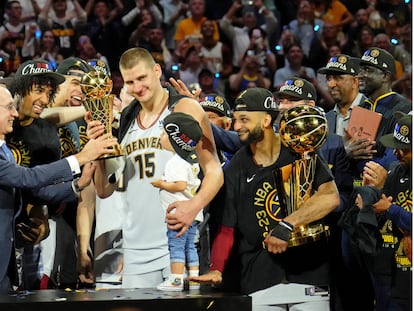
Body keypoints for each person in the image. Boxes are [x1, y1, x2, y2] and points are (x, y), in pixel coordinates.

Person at [189, 87, 339, 310]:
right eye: (235, 119)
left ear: (267, 119)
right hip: (260, 278)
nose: (237, 126)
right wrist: (217, 268)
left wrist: (286, 225)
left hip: (309, 274)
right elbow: (227, 228)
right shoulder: (236, 168)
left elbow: (330, 196)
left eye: (244, 119)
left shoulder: (300, 149)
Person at [88, 47, 223, 288]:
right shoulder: (126, 118)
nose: (137, 87)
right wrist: (99, 150)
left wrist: (193, 206)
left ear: (157, 70)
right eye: (130, 82)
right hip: (135, 251)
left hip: (177, 244)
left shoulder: (185, 108)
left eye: (142, 78)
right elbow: (103, 190)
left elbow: (214, 171)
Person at [0, 85, 117, 293]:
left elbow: (33, 191)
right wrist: (81, 157)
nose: (15, 113)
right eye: (9, 107)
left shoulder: (5, 150)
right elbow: (28, 177)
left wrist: (77, 185)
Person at [274, 77, 353, 311]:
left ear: (309, 105)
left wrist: (315, 208)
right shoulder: (271, 141)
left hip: (319, 243)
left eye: (291, 101)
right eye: (282, 101)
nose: (283, 106)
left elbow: (345, 195)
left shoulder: (334, 143)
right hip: (276, 238)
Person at [341, 111, 412, 311]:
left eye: (405, 149)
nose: (397, 153)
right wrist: (371, 196)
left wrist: (391, 210)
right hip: (388, 271)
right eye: (396, 147)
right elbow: (365, 227)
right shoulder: (393, 170)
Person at [151, 112, 203, 291]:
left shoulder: (176, 161)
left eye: (165, 133)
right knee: (190, 246)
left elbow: (180, 185)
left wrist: (161, 184)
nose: (160, 137)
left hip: (179, 214)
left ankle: (176, 280)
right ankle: (194, 279)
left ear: (176, 139)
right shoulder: (192, 159)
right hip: (194, 213)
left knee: (176, 245)